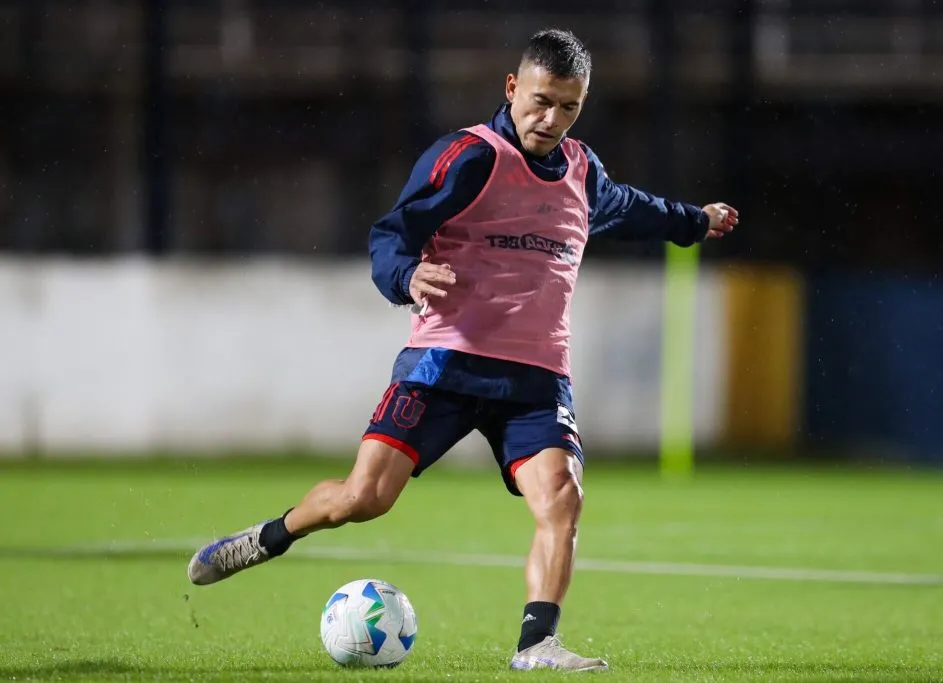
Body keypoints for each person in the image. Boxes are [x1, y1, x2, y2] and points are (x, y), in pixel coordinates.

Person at [186, 28, 738, 672]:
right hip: (444, 364)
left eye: (568, 107)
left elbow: (630, 207)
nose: (551, 119)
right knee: (364, 499)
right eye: (540, 101)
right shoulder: (469, 158)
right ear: (511, 88)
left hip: (536, 377)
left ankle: (538, 644)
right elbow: (393, 232)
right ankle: (267, 537)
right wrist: (406, 275)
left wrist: (694, 220)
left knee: (562, 497)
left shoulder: (583, 172)